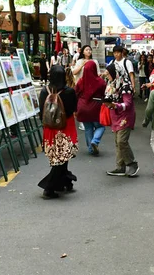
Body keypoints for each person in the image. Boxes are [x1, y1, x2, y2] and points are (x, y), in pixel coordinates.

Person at [38, 65, 78, 198]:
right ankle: (49, 187)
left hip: (49, 129)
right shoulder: (69, 91)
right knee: (63, 157)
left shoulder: (44, 91)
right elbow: (73, 109)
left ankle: (64, 180)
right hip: (65, 127)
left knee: (58, 158)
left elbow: (41, 111)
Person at [105, 63, 138, 177]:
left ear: (115, 73)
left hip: (125, 116)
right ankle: (120, 167)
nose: (107, 75)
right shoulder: (112, 83)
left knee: (121, 141)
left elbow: (128, 104)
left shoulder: (125, 86)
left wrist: (115, 105)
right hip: (115, 115)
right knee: (117, 142)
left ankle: (132, 163)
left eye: (108, 73)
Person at [75, 61, 106, 155]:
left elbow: (76, 93)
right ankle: (95, 141)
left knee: (88, 128)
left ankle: (90, 149)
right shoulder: (100, 82)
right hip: (95, 107)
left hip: (83, 107)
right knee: (100, 126)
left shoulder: (81, 81)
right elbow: (104, 93)